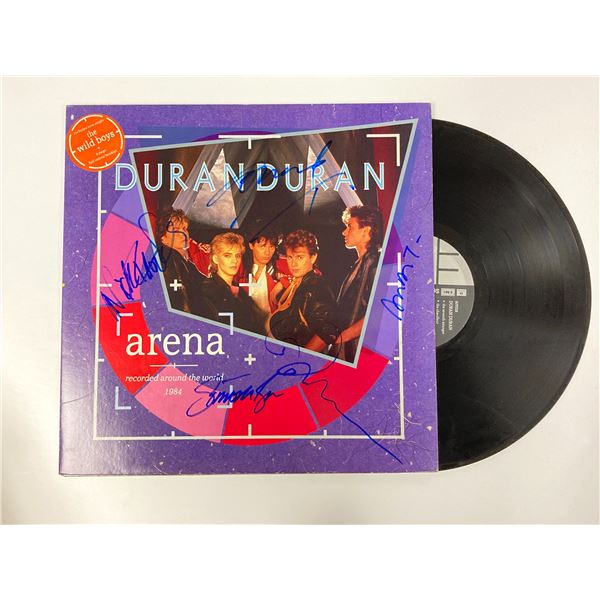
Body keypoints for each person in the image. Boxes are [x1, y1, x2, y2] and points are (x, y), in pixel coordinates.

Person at [268, 230, 339, 351]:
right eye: (290, 257)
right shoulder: (298, 281)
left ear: (313, 257)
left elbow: (328, 331)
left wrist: (301, 358)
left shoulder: (317, 287)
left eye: (300, 257)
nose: (293, 264)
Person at [331, 204, 383, 362]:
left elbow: (379, 312)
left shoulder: (374, 262)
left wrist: (342, 337)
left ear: (366, 231)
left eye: (349, 226)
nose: (344, 232)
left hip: (359, 351)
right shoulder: (361, 263)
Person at [196, 232, 264, 334]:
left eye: (238, 256)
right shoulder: (208, 290)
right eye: (227, 255)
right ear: (215, 259)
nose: (234, 261)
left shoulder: (240, 292)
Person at [157, 209, 206, 314]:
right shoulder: (168, 260)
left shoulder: (185, 262)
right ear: (163, 238)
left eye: (184, 229)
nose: (183, 233)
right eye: (176, 230)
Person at [237, 231, 281, 324]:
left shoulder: (279, 266)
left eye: (271, 247)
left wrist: (281, 284)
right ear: (251, 245)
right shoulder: (239, 268)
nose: (267, 252)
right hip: (247, 324)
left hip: (272, 325)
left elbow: (307, 276)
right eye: (262, 246)